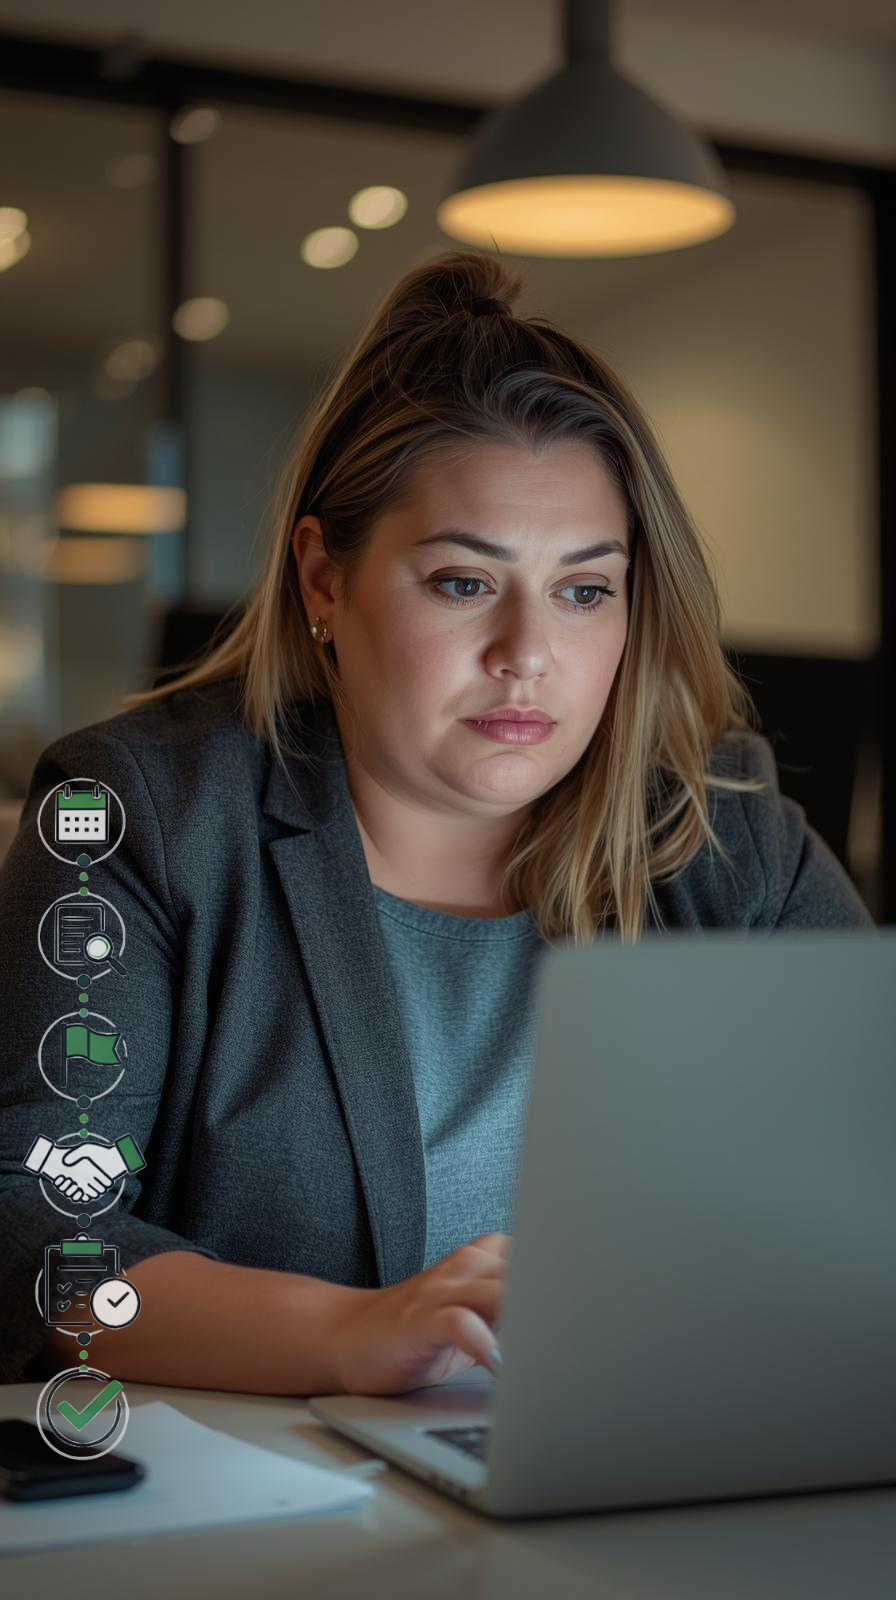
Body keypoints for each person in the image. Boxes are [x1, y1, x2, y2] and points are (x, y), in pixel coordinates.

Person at [0, 251, 874, 1396]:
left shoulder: (728, 836)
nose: (528, 654)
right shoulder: (135, 816)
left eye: (584, 589)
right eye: (464, 582)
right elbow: (33, 1230)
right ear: (324, 579)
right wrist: (350, 1333)